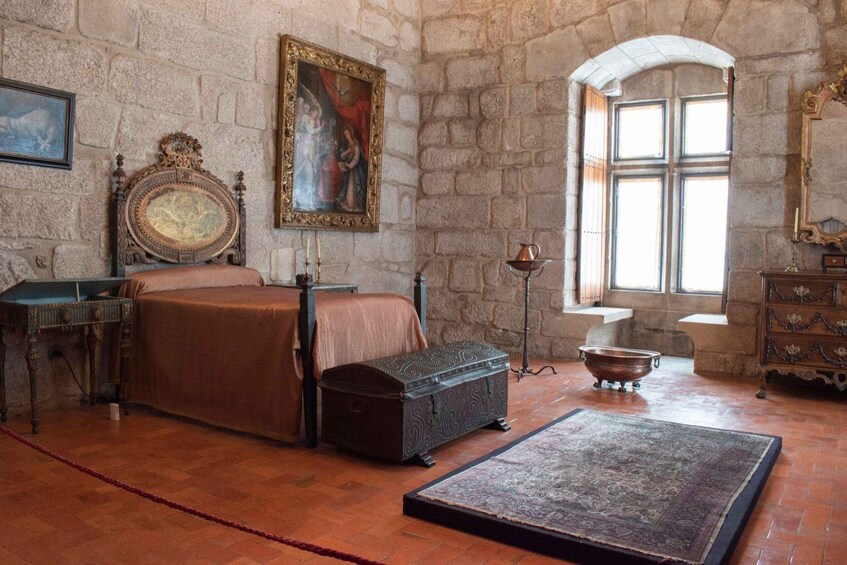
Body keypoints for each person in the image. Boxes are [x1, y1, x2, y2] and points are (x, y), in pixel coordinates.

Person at [334, 126, 367, 213]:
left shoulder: (355, 145)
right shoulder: (347, 145)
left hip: (354, 171)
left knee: (352, 187)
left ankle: (352, 205)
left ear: (351, 134)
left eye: (347, 134)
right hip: (348, 170)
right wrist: (347, 152)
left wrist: (350, 165)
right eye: (345, 135)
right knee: (347, 187)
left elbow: (356, 158)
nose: (346, 136)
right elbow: (342, 156)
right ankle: (349, 204)